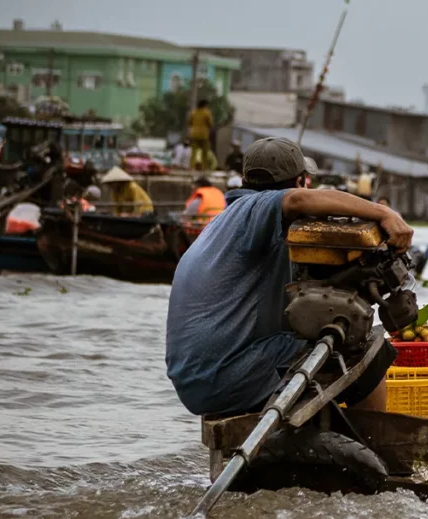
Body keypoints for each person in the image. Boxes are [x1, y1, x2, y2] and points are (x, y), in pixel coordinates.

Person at [165, 137, 413, 417]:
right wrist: (384, 213)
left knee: (317, 349)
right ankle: (376, 440)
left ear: (245, 180)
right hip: (225, 372)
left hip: (197, 378)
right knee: (365, 350)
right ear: (300, 181)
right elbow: (297, 200)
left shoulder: (227, 220)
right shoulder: (255, 208)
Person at [188, 100, 213, 171]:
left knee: (193, 152)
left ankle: (191, 167)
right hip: (204, 135)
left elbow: (189, 123)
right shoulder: (207, 113)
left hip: (194, 135)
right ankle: (204, 168)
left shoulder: (193, 112)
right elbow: (210, 123)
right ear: (205, 105)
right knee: (204, 152)